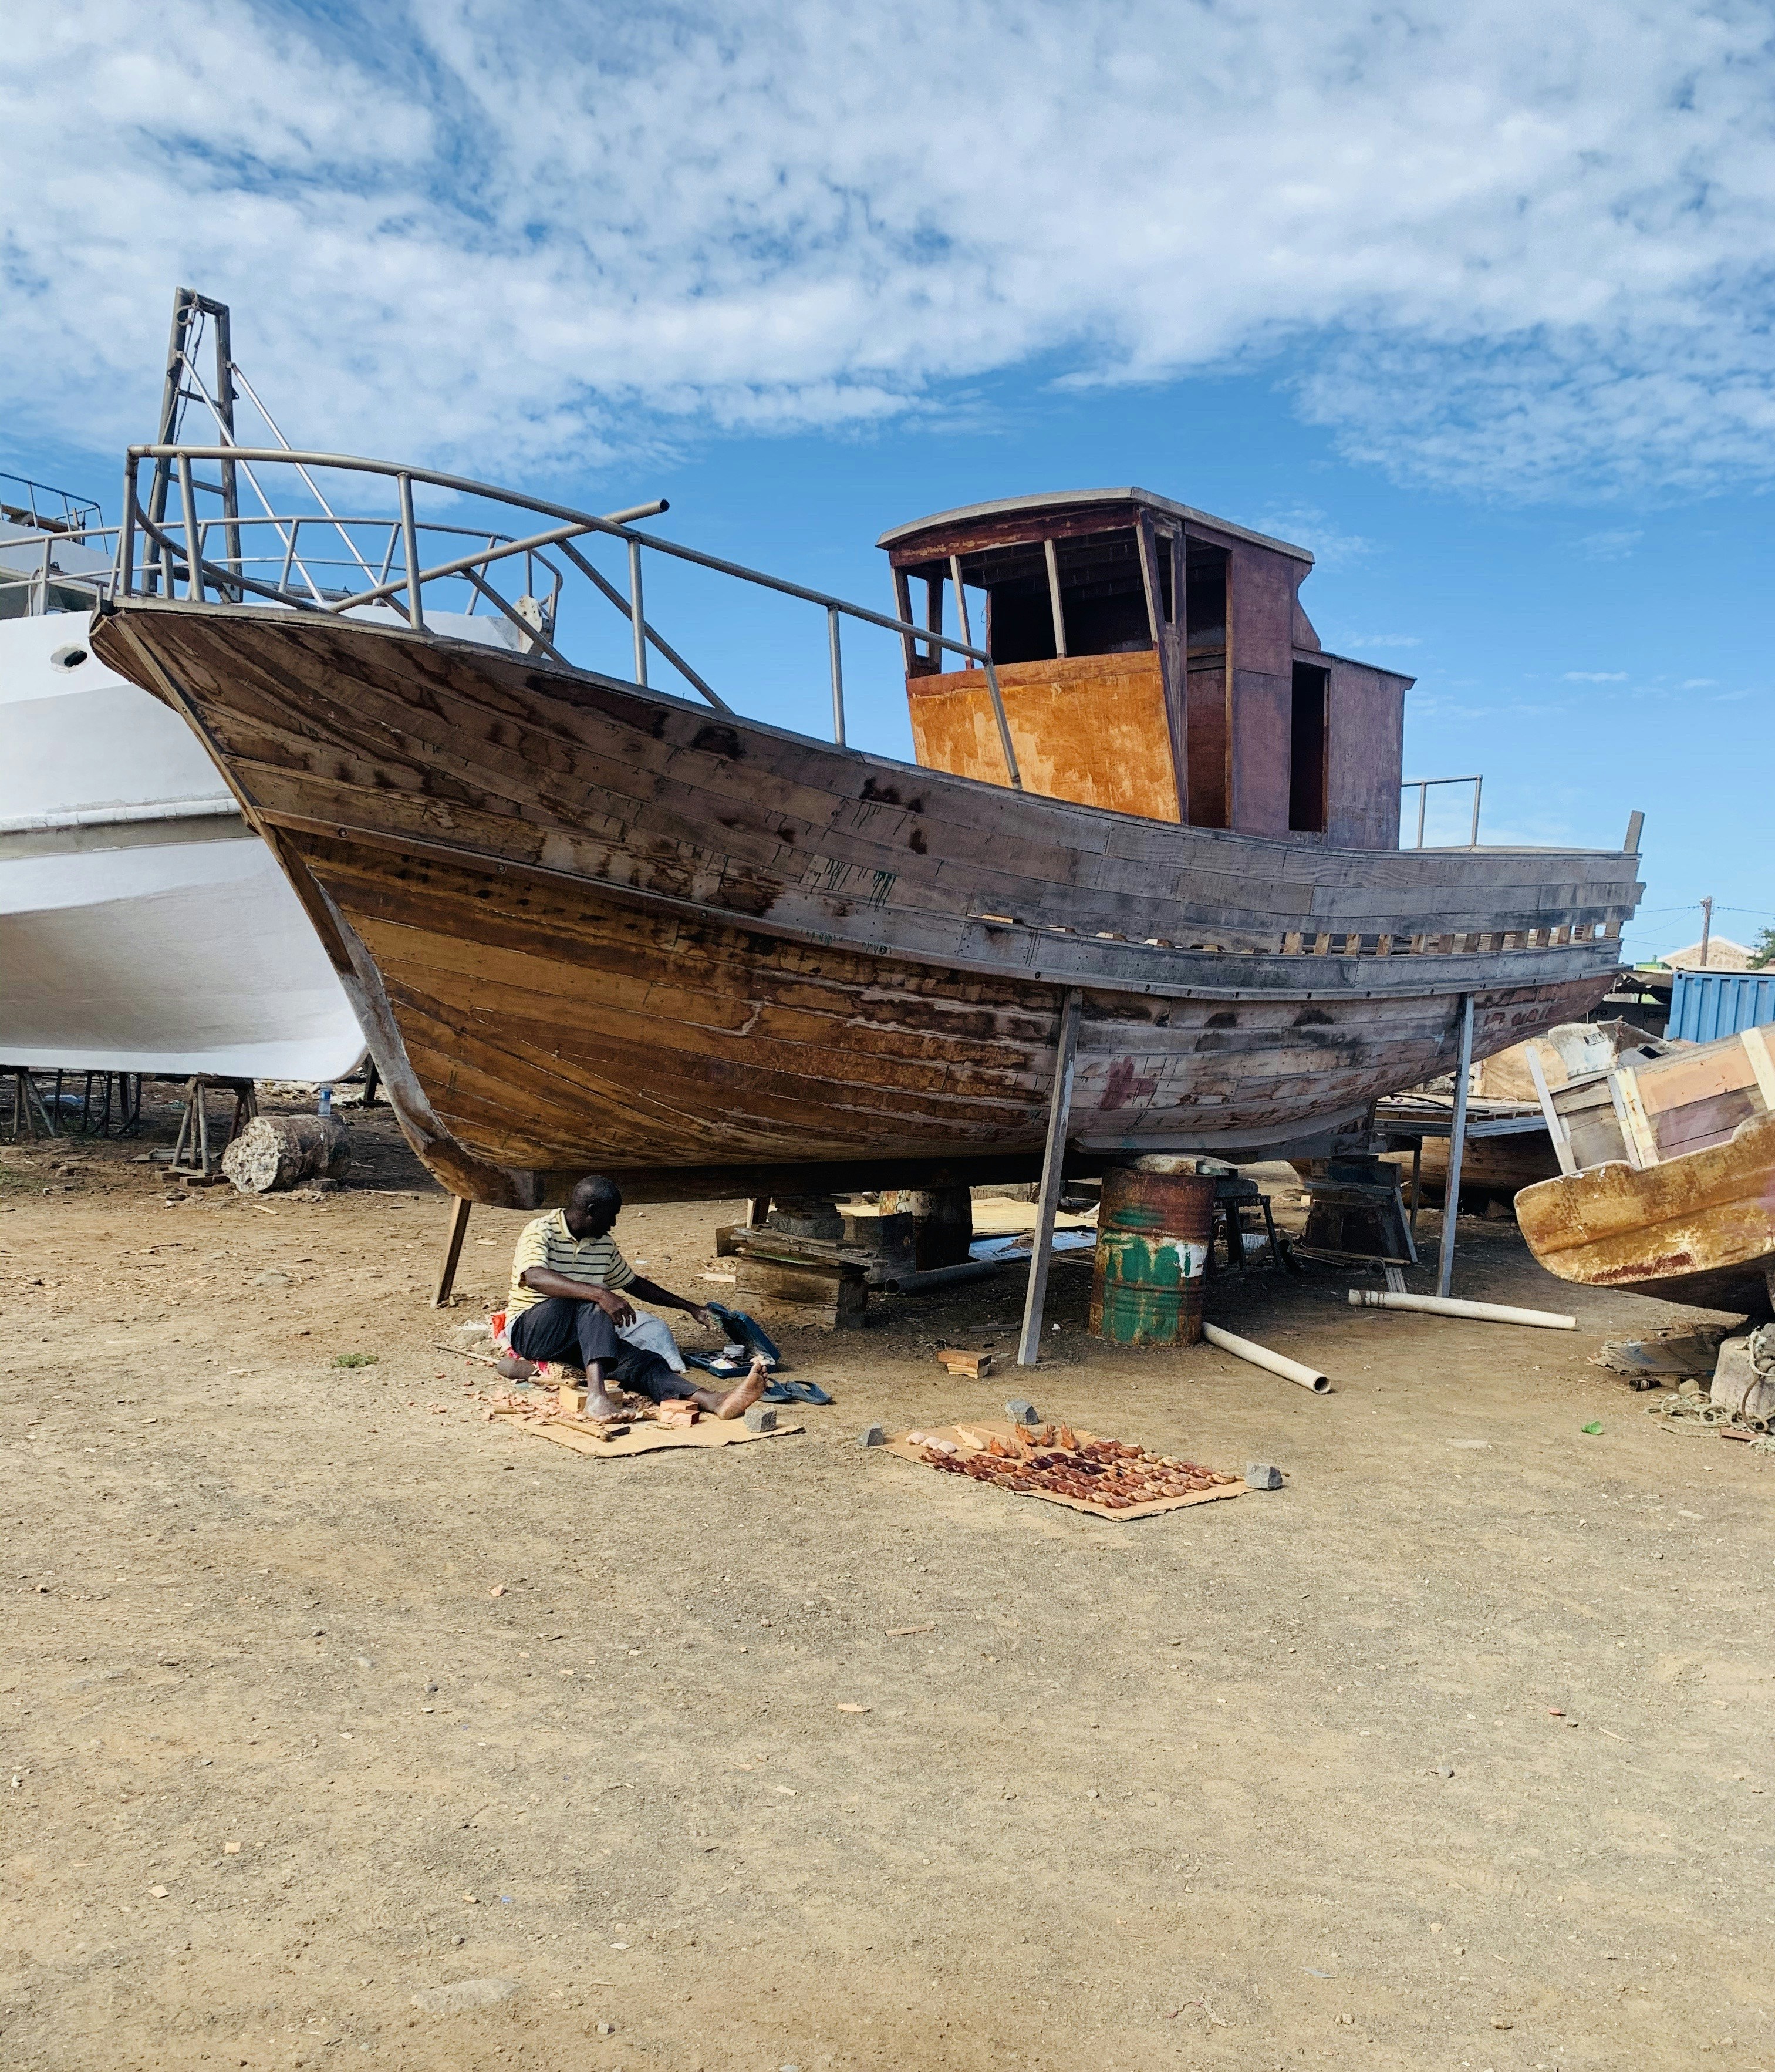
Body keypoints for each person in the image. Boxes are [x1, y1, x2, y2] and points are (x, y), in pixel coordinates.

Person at [499, 1173, 766, 1423]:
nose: (613, 1224)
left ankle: (713, 1400)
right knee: (594, 1304)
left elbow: (634, 1284)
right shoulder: (541, 1230)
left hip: (578, 1336)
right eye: (610, 1216)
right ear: (591, 1211)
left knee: (642, 1362)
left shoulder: (604, 1244)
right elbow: (534, 1276)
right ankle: (596, 1395)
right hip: (530, 1331)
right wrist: (600, 1294)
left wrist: (691, 1308)